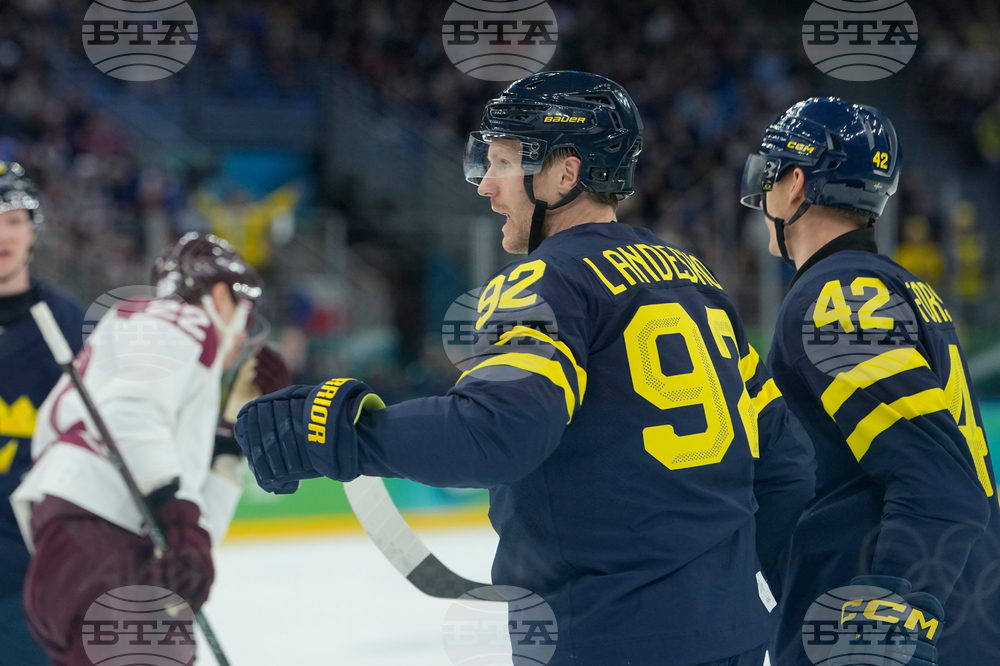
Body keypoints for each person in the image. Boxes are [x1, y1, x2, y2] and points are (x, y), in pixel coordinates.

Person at [235, 71, 812, 666]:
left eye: (505, 161)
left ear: (566, 174)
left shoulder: (545, 280)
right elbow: (783, 468)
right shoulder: (697, 282)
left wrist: (336, 431)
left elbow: (495, 433)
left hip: (605, 639)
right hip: (735, 637)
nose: (486, 185)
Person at [740, 97, 1000, 666]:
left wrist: (890, 606)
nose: (760, 197)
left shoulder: (836, 300)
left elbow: (940, 480)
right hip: (968, 613)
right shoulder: (899, 289)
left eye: (768, 175)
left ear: (796, 184)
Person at [10, 232, 291, 666]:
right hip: (100, 546)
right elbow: (129, 413)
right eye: (244, 313)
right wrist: (178, 519)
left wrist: (232, 434)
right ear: (219, 297)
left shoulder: (144, 343)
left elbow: (196, 525)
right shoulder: (179, 320)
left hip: (81, 553)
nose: (242, 340)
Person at [0, 161, 84, 666]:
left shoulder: (68, 325)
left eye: (14, 220)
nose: (2, 234)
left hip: (33, 578)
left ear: (34, 232)